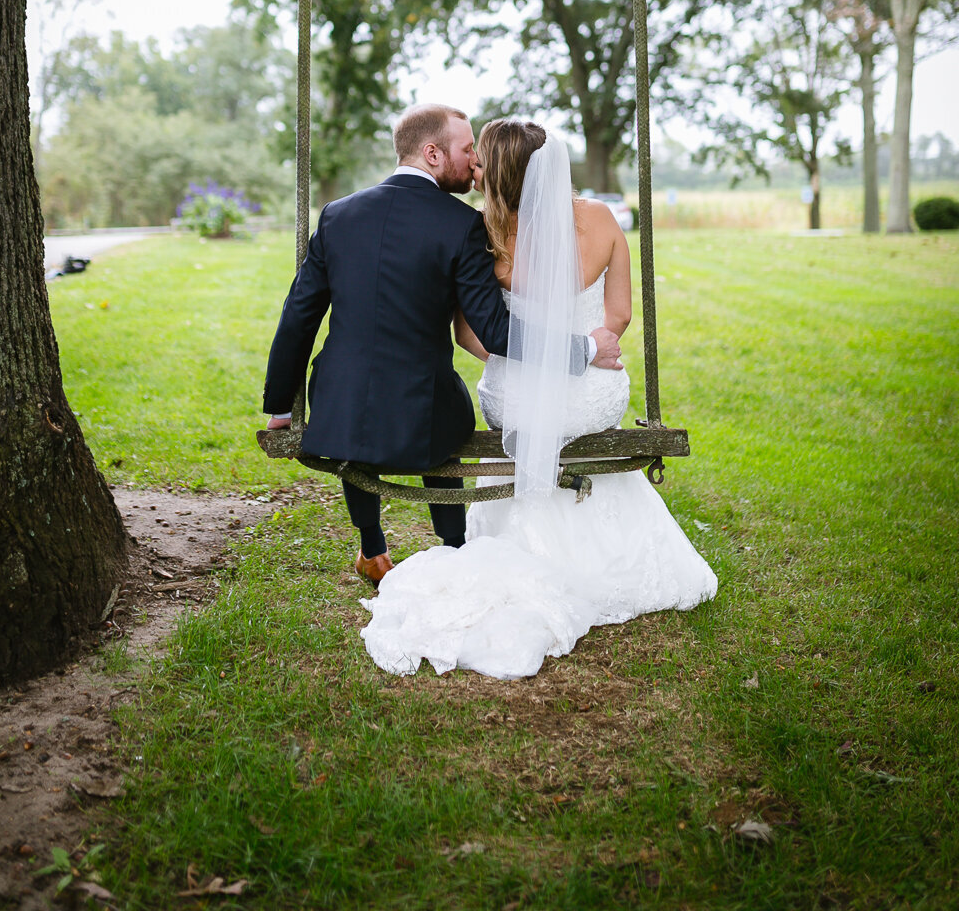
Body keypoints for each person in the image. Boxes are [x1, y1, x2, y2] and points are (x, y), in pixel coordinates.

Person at [359, 119, 717, 679]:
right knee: (579, 412)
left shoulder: (485, 233)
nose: (473, 168)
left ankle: (528, 545)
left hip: (518, 399)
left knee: (520, 409)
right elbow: (619, 316)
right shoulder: (600, 219)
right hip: (596, 389)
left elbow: (472, 337)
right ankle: (606, 557)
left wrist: (528, 368)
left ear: (500, 176)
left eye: (481, 163)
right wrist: (588, 349)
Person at [261, 105, 622, 585]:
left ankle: (371, 546)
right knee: (446, 410)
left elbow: (299, 316)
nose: (475, 162)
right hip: (423, 403)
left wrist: (281, 406)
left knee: (353, 402)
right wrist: (582, 350)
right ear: (432, 153)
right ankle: (453, 546)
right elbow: (494, 331)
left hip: (338, 401)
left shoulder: (337, 214)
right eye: (467, 149)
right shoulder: (461, 224)